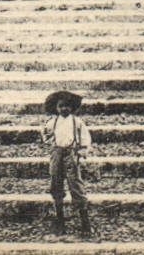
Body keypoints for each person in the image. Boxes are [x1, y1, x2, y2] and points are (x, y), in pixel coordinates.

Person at [41, 89, 92, 236]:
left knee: (75, 184)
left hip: (71, 153)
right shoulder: (52, 122)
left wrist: (82, 150)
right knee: (56, 183)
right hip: (57, 154)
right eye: (61, 106)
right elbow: (45, 134)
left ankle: (84, 220)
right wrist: (51, 143)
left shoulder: (77, 122)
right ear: (56, 108)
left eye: (67, 106)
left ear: (72, 108)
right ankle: (60, 219)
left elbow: (85, 138)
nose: (64, 109)